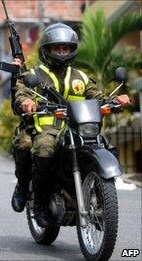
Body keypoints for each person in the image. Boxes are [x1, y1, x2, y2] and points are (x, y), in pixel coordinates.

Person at [14, 23, 131, 227]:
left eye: (66, 48)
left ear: (72, 50)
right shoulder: (35, 75)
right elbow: (21, 92)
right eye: (56, 48)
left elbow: (98, 97)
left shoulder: (81, 77)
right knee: (44, 147)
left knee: (103, 145)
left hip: (76, 129)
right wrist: (27, 101)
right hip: (47, 129)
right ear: (47, 50)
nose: (61, 52)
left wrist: (116, 100)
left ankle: (99, 198)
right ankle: (39, 204)